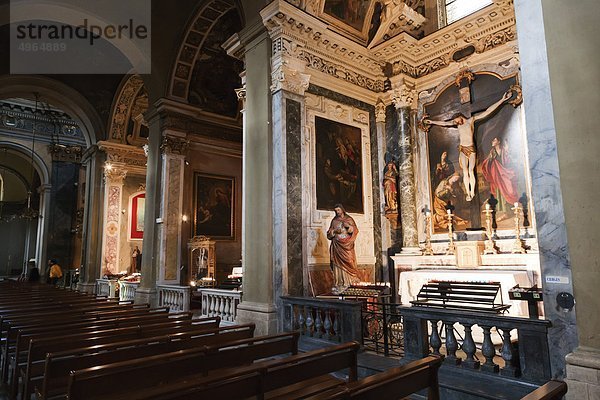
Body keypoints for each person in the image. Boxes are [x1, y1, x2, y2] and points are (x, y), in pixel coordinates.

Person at [423, 90, 512, 201]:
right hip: (463, 149)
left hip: (471, 149)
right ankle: (468, 194)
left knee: (470, 171)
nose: (456, 123)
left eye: (457, 120)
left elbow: (487, 111)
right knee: (465, 171)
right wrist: (431, 122)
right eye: (455, 122)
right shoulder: (458, 125)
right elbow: (445, 123)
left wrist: (502, 100)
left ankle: (472, 192)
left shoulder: (471, 120)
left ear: (461, 116)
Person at [326, 204, 360, 293]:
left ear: (342, 210)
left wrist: (348, 227)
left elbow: (355, 230)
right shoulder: (334, 221)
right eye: (336, 210)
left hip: (347, 245)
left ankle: (350, 282)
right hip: (337, 245)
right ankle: (340, 283)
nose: (337, 212)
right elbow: (329, 234)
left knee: (350, 261)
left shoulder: (349, 219)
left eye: (339, 210)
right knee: (337, 265)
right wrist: (333, 232)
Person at [480, 137, 518, 210]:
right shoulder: (492, 152)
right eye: (492, 140)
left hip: (505, 173)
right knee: (499, 192)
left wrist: (507, 152)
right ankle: (504, 211)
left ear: (499, 142)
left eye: (494, 140)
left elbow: (508, 161)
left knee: (509, 190)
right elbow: (488, 163)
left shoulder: (503, 150)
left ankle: (511, 209)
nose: (492, 141)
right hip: (497, 176)